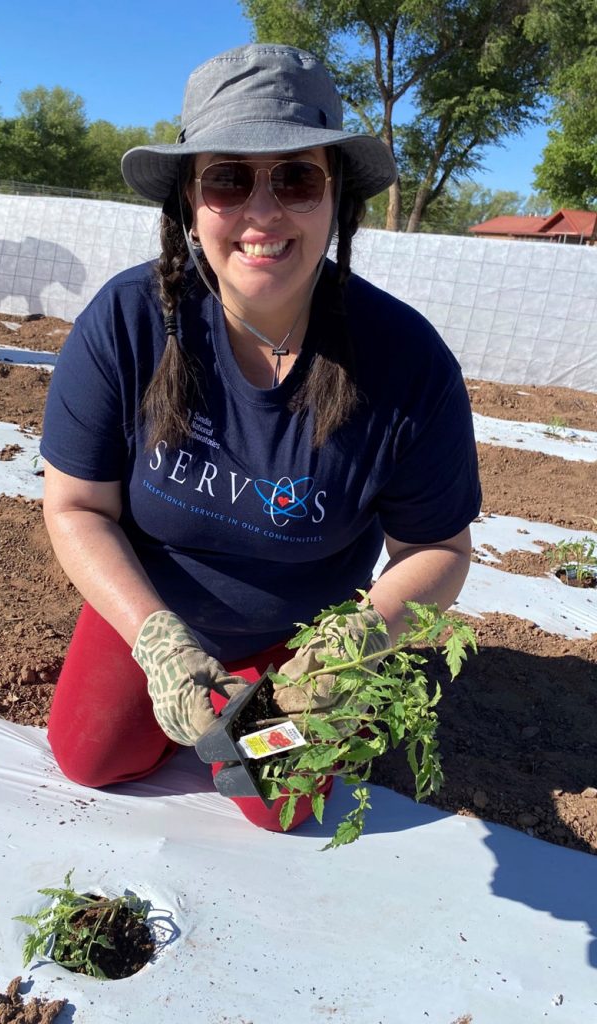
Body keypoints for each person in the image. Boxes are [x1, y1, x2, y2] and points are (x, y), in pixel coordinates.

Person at [40, 44, 481, 832]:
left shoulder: (407, 362)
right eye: (229, 177)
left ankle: (266, 689)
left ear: (336, 199)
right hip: (160, 617)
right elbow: (75, 506)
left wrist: (356, 644)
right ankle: (195, 682)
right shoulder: (128, 321)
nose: (263, 212)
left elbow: (438, 551)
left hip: (306, 639)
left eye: (297, 177)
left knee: (273, 797)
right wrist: (158, 642)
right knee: (90, 758)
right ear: (188, 200)